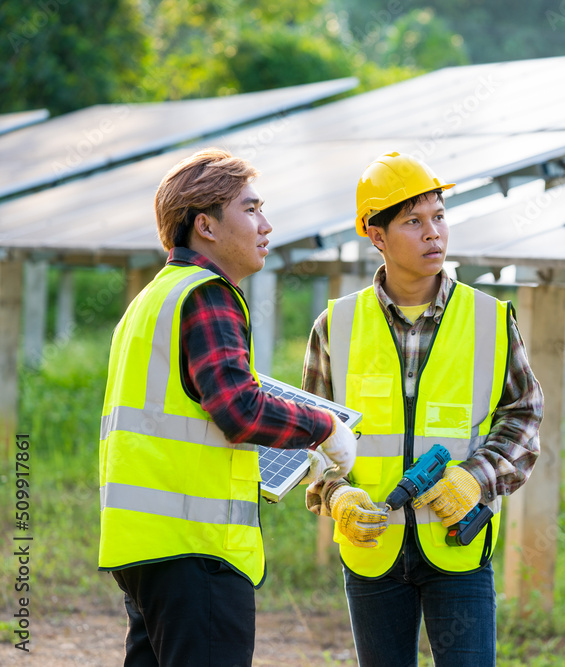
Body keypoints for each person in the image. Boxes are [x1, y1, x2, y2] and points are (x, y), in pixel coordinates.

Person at [98, 148, 356, 666]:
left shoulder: (151, 300)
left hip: (144, 547)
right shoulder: (208, 294)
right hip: (198, 550)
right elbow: (239, 410)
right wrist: (324, 427)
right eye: (251, 209)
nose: (266, 224)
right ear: (206, 226)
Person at [302, 151, 544, 667]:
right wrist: (336, 493)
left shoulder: (490, 318)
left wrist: (476, 478)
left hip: (456, 544)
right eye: (413, 221)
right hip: (372, 548)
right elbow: (312, 433)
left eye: (439, 216)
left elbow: (524, 413)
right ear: (377, 236)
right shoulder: (336, 326)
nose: (433, 232)